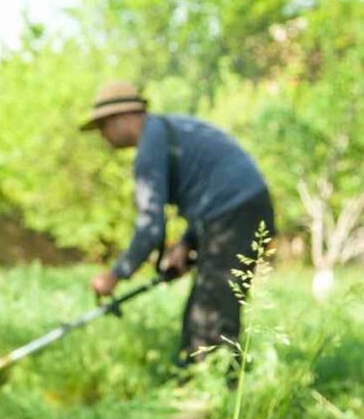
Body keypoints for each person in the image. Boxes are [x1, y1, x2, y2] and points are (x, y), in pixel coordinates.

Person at [82, 80, 275, 367]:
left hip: (236, 213)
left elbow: (150, 226)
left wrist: (114, 276)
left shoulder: (150, 148)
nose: (102, 135)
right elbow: (209, 192)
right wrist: (186, 244)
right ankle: (200, 389)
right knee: (203, 313)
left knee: (210, 319)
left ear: (122, 118)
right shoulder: (167, 131)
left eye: (103, 126)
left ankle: (210, 400)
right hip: (238, 210)